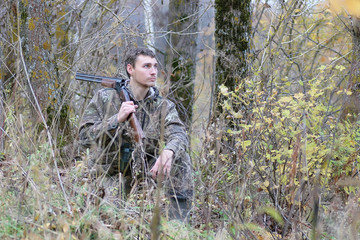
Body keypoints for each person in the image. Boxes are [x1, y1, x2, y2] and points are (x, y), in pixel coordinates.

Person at [79, 47, 193, 222]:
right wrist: (115, 120)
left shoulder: (163, 105)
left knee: (180, 157)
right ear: (130, 69)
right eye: (146, 66)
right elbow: (84, 138)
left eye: (155, 66)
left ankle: (179, 225)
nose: (153, 71)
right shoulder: (105, 98)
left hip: (146, 172)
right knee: (110, 220)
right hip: (111, 173)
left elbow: (179, 133)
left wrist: (169, 151)